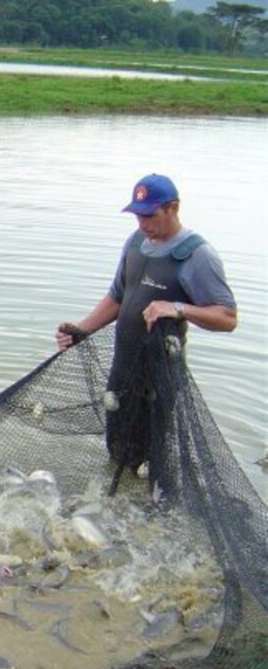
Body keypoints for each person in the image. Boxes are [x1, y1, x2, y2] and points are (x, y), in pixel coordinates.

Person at [55, 174, 238, 475]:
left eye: (149, 215)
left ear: (173, 208)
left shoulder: (196, 255)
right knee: (117, 453)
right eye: (138, 215)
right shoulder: (136, 243)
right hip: (123, 369)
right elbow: (118, 295)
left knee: (154, 462)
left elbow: (227, 318)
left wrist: (178, 308)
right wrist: (83, 329)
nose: (142, 223)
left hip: (159, 377)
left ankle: (153, 509)